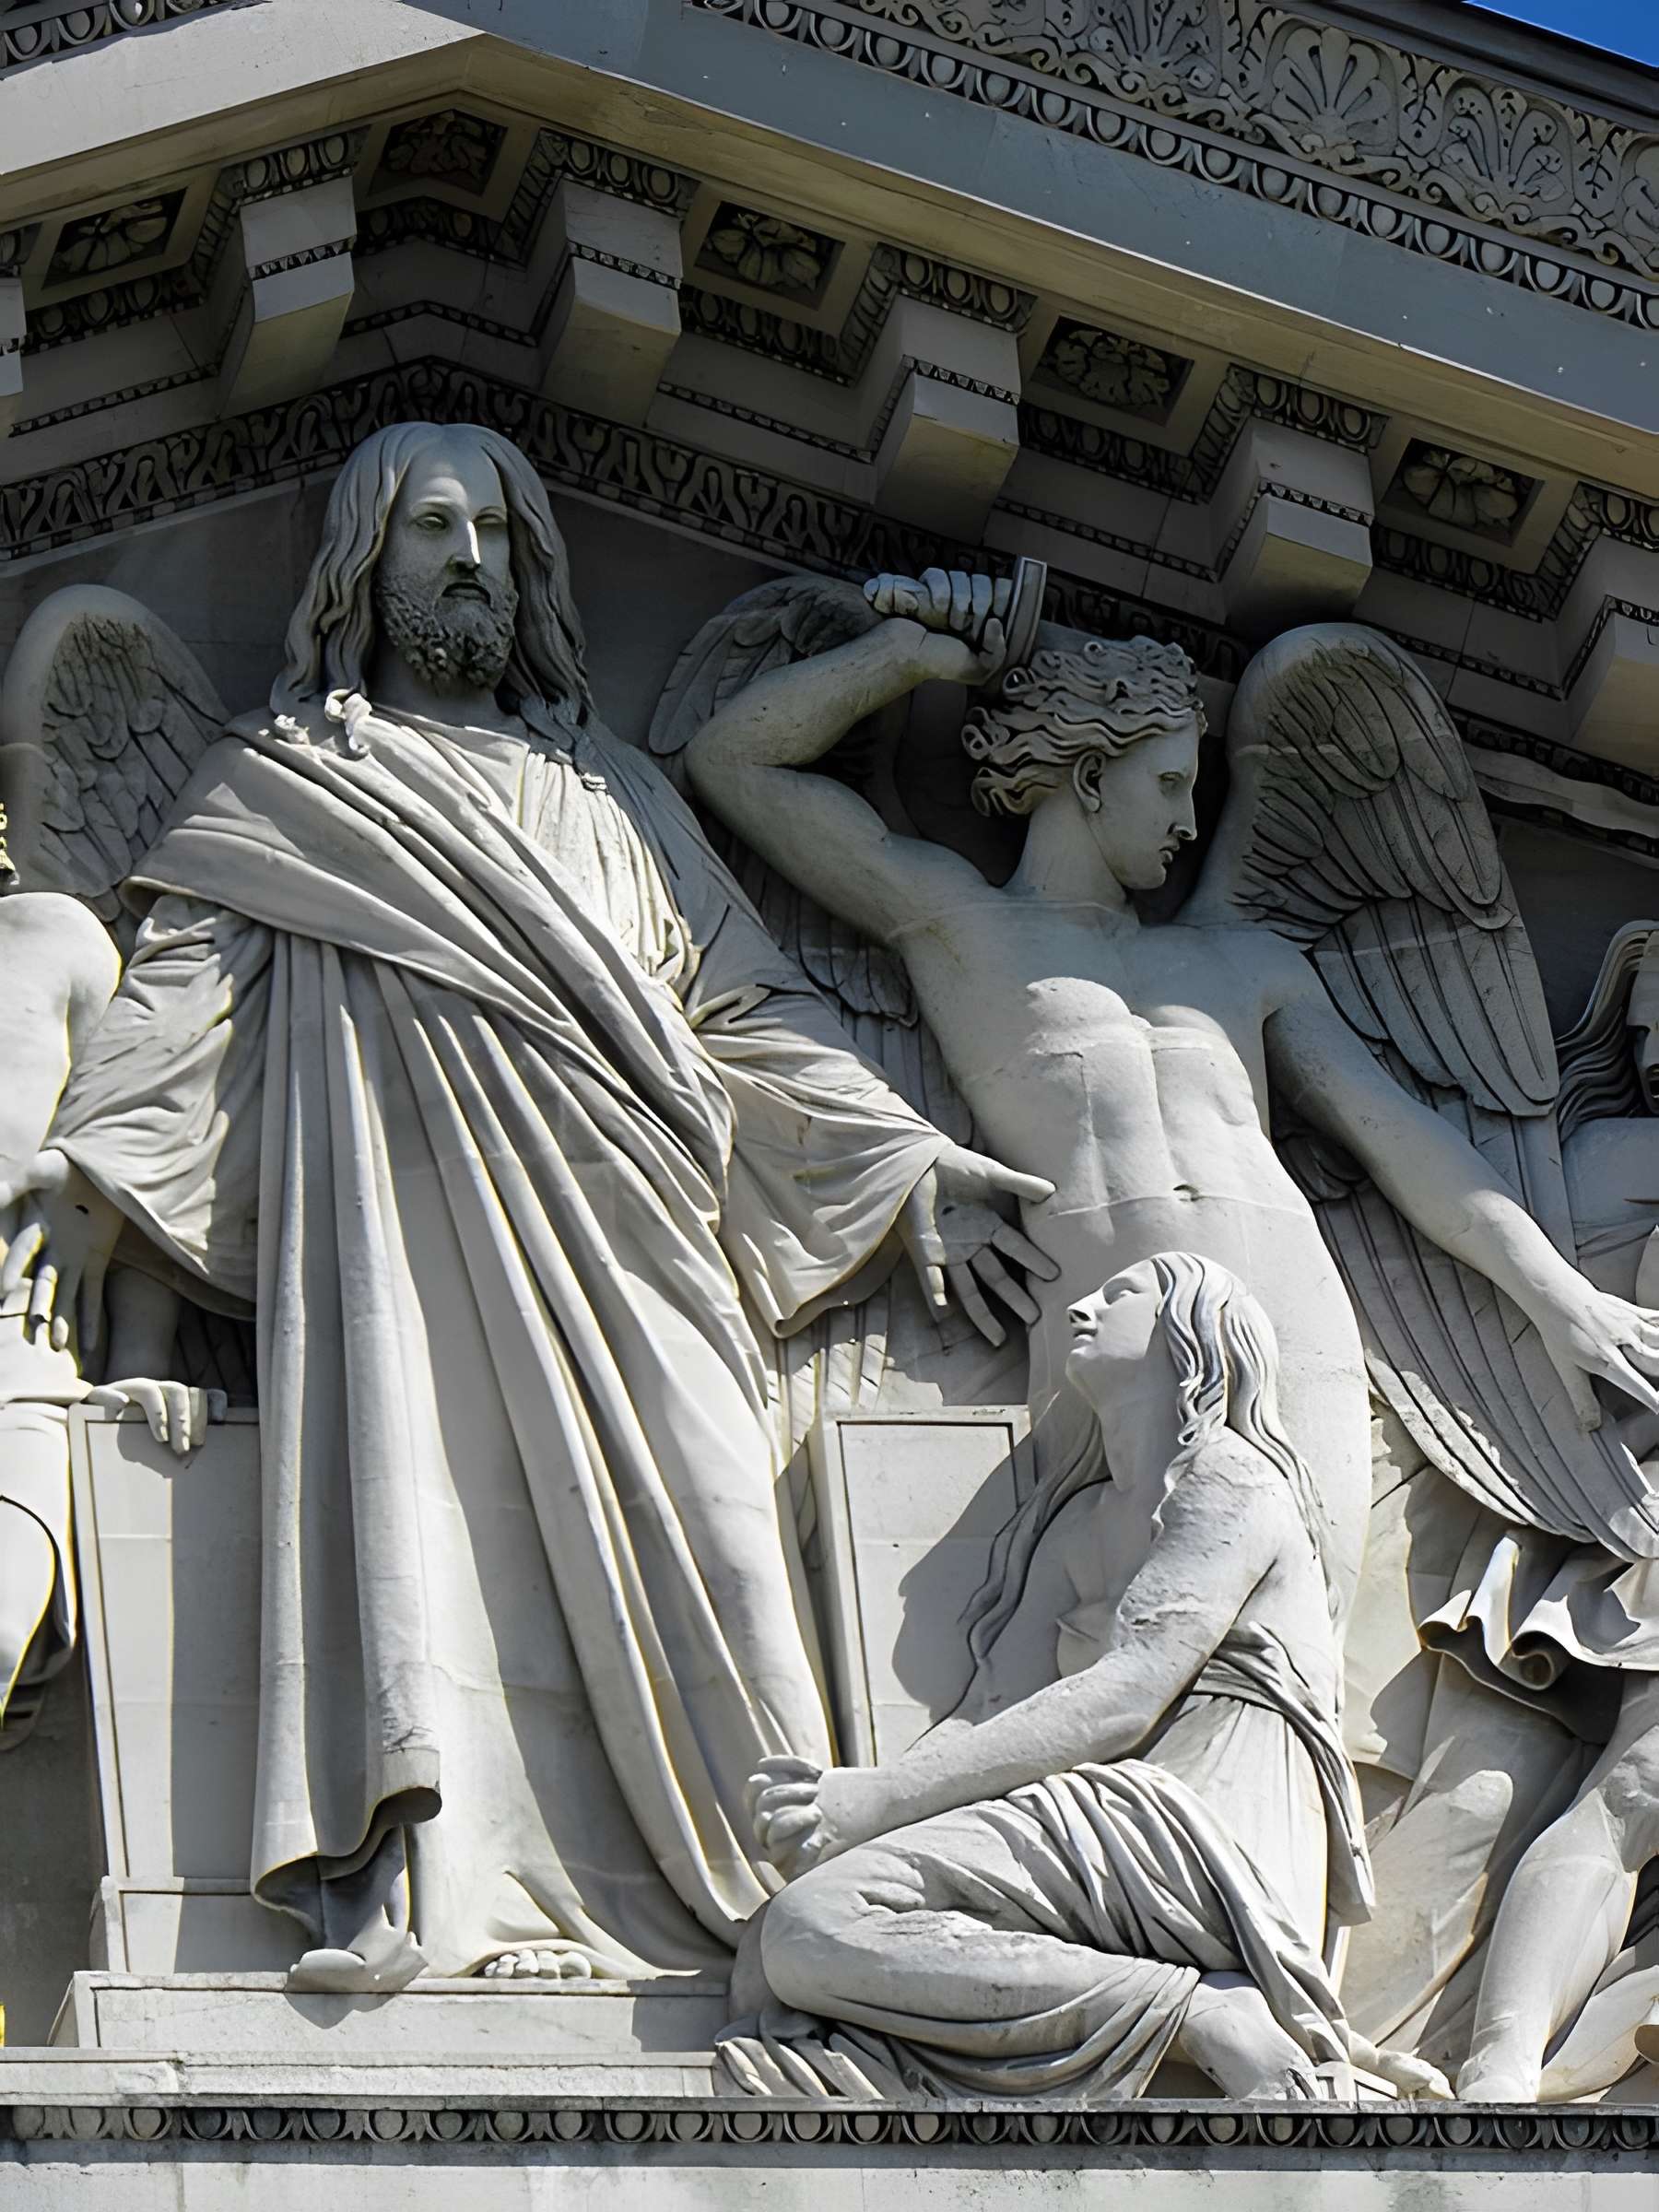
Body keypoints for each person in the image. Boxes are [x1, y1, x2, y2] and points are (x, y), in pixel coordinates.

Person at [0, 427, 1050, 1993]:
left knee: (727, 1554)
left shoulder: (616, 793)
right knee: (425, 1548)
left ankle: (797, 1925)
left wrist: (904, 1160)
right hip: (401, 1243)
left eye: (496, 533)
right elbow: (184, 1010)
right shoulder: (286, 787)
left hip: (645, 1243)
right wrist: (88, 1171)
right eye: (436, 529)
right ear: (367, 562)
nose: (472, 561)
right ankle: (469, 1902)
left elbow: (747, 1014)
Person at [686, 568, 1659, 1633]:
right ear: (1088, 776)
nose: (1192, 822)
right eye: (1168, 785)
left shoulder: (1243, 960)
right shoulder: (957, 923)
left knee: (1294, 1652)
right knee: (1140, 1645)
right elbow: (733, 762)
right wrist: (911, 657)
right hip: (1111, 1325)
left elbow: (1410, 1142)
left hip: (1291, 1316)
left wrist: (1561, 1299)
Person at [736, 1253, 1446, 2100]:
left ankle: (1202, 2017)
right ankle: (1188, 2012)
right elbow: (988, 1709)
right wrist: (857, 1810)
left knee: (813, 1927)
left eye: (1122, 1294)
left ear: (1193, 1331)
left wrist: (879, 1802)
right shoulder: (1079, 1521)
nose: (1084, 1304)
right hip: (1112, 1811)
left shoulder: (1231, 1478)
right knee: (788, 1938)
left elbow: (1129, 1694)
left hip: (1208, 1828)